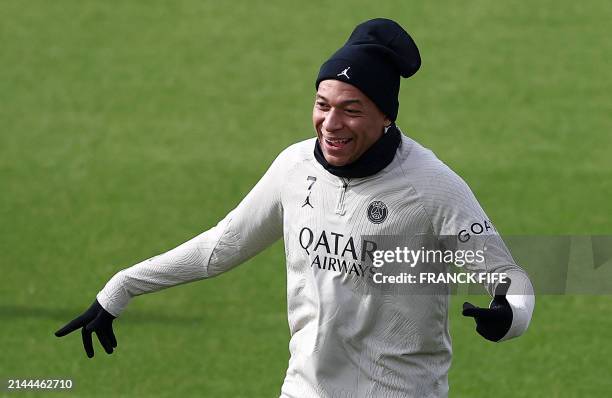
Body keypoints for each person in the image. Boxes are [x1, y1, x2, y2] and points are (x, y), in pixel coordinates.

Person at [55, 18, 534, 397]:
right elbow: (220, 247)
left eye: (351, 109)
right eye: (322, 104)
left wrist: (508, 316)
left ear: (386, 115)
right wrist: (121, 287)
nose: (330, 123)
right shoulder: (295, 168)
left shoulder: (433, 188)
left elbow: (508, 278)